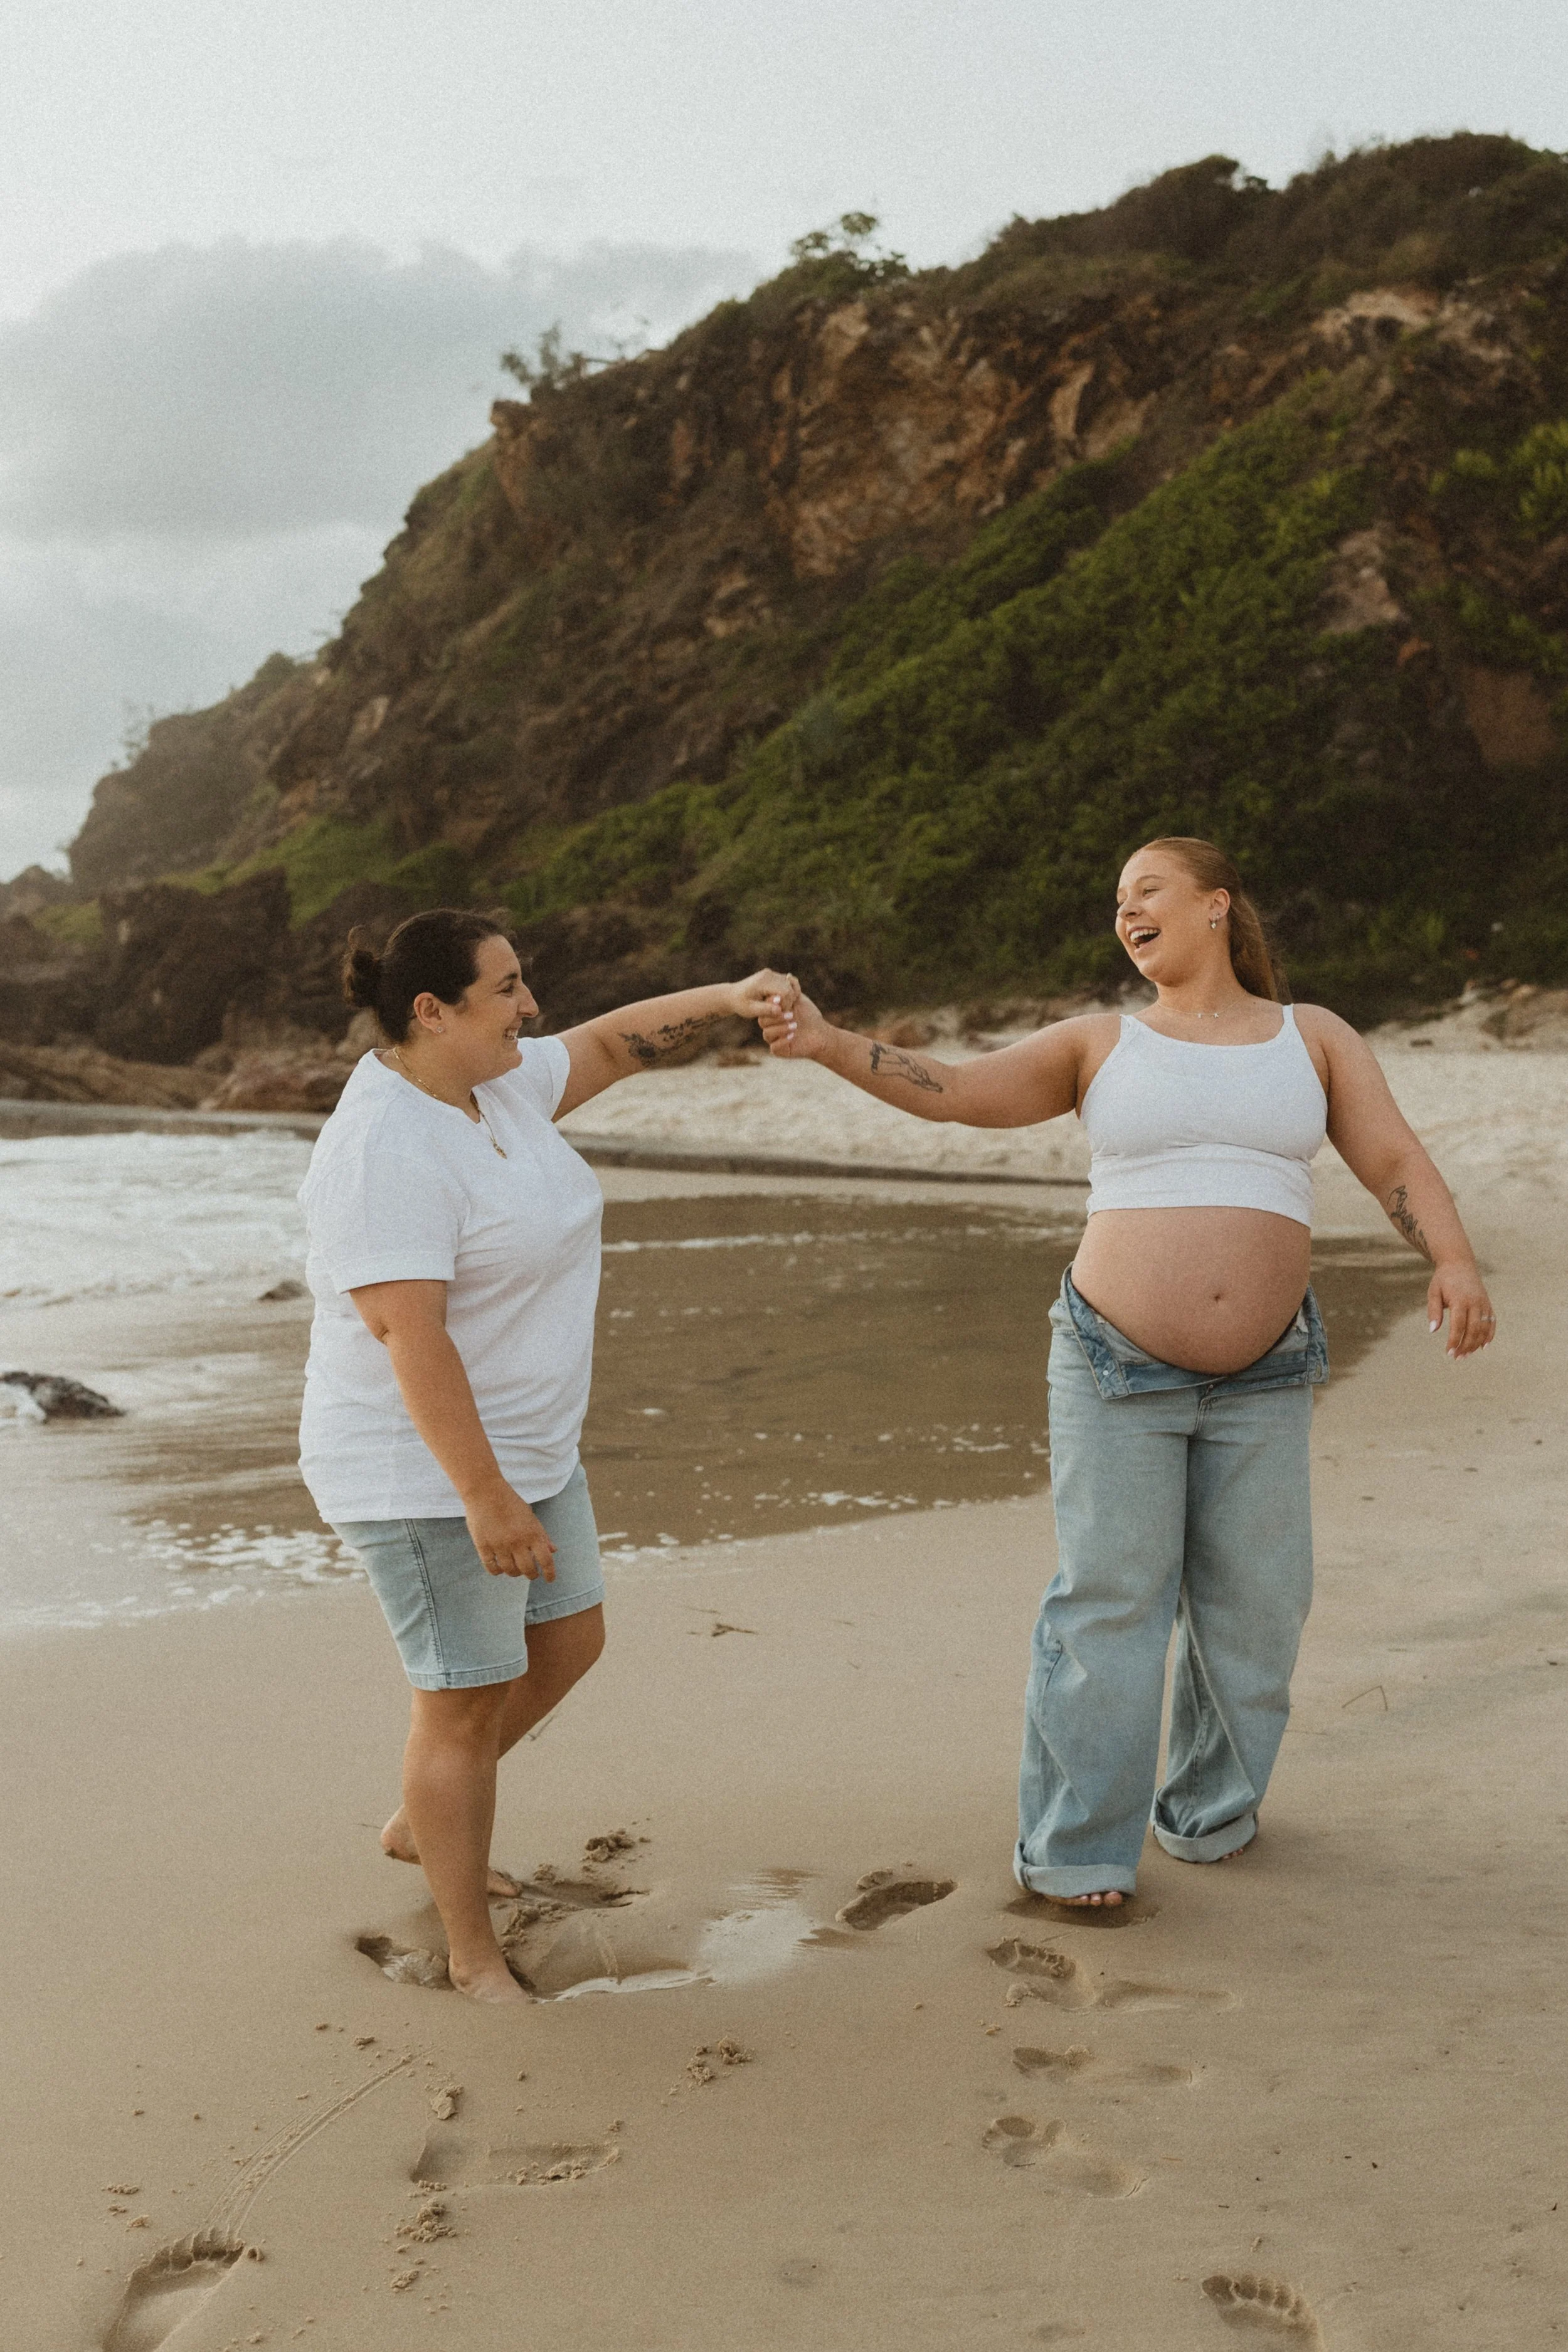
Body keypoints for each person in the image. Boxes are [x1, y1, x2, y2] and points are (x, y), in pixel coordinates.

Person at [759, 837, 1495, 1907]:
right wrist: (825, 1042)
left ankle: (1208, 1810)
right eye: (1117, 900)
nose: (1127, 910)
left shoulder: (1313, 1037)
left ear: (1216, 906)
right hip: (1115, 1362)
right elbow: (957, 1090)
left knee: (1258, 1607)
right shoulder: (1101, 1042)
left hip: (1268, 1371)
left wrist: (1455, 1259)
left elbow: (1392, 1159)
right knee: (1110, 1606)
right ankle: (1076, 1848)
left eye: (1148, 889)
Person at [298, 906, 792, 2001]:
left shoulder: (496, 1084)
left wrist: (727, 998)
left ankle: (417, 1824)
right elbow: (406, 1334)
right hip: (425, 1470)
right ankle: (473, 1956)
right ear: (432, 1011)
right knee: (464, 1701)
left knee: (569, 1640)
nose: (532, 1005)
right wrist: (483, 1496)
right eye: (509, 987)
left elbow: (616, 1041)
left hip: (529, 1448)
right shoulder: (383, 1144)